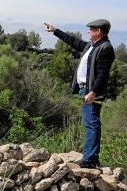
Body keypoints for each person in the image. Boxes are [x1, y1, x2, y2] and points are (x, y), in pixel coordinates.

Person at [44, 19, 115, 168]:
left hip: (91, 92)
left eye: (91, 29)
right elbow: (73, 42)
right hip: (85, 89)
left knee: (92, 124)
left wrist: (93, 92)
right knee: (90, 123)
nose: (88, 31)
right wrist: (55, 31)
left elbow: (103, 74)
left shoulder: (106, 48)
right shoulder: (92, 45)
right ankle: (91, 157)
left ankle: (90, 160)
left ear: (98, 32)